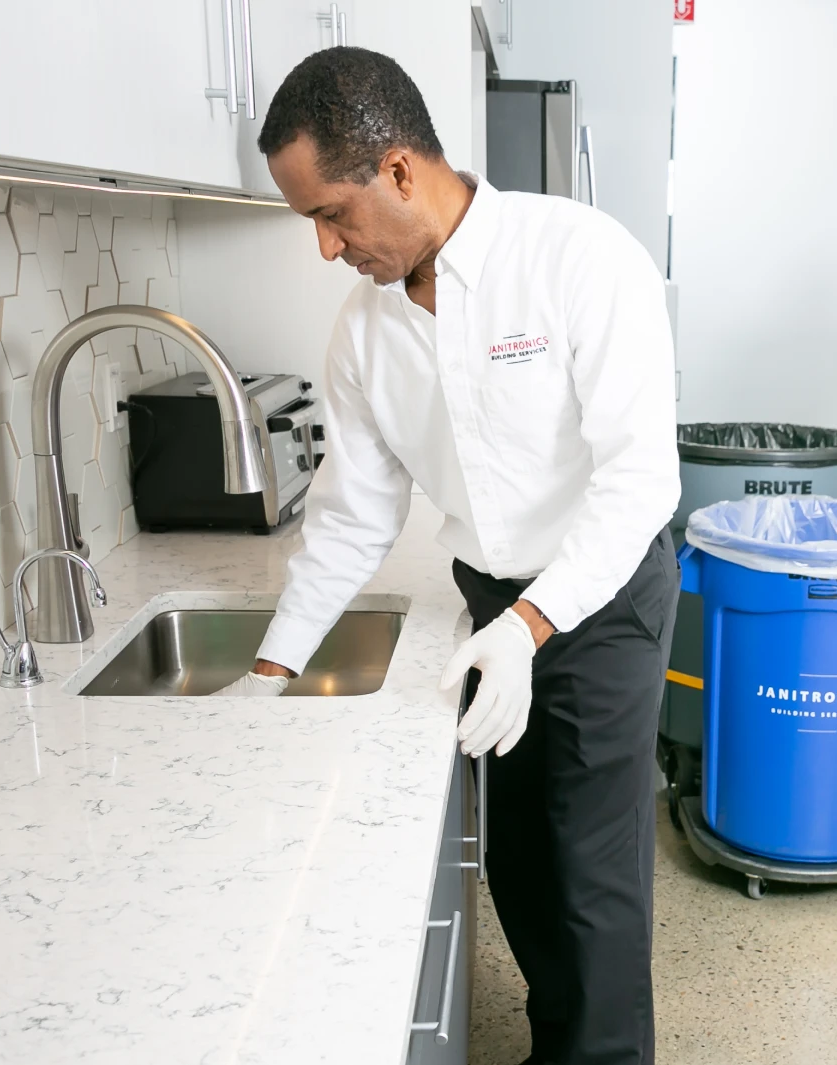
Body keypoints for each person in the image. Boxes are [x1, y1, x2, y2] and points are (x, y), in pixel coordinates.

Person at [219, 47, 679, 1065]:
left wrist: (531, 626)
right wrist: (270, 670)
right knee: (519, 862)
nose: (326, 249)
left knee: (592, 873)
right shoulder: (364, 334)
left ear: (397, 170)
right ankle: (559, 1046)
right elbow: (353, 516)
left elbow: (641, 480)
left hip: (601, 598)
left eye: (330, 215)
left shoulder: (580, 259)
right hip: (490, 603)